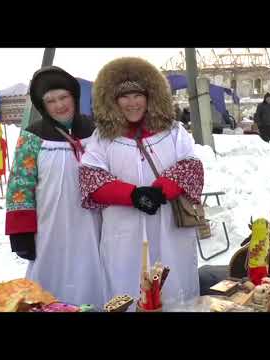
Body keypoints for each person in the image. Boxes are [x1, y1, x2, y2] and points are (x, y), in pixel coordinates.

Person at [79, 57, 204, 306]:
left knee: (174, 285)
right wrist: (133, 195)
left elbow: (192, 166)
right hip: (124, 233)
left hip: (169, 228)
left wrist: (160, 191)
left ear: (150, 97)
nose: (132, 103)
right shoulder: (102, 138)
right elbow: (90, 177)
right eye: (124, 96)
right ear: (112, 101)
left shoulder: (173, 131)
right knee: (126, 286)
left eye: (138, 95)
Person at [5, 66, 104, 307]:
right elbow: (20, 186)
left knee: (95, 274)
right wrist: (22, 234)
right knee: (50, 287)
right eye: (50, 101)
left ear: (74, 96)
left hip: (94, 224)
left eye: (63, 97)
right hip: (50, 227)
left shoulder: (96, 131)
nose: (59, 105)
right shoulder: (32, 137)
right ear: (42, 106)